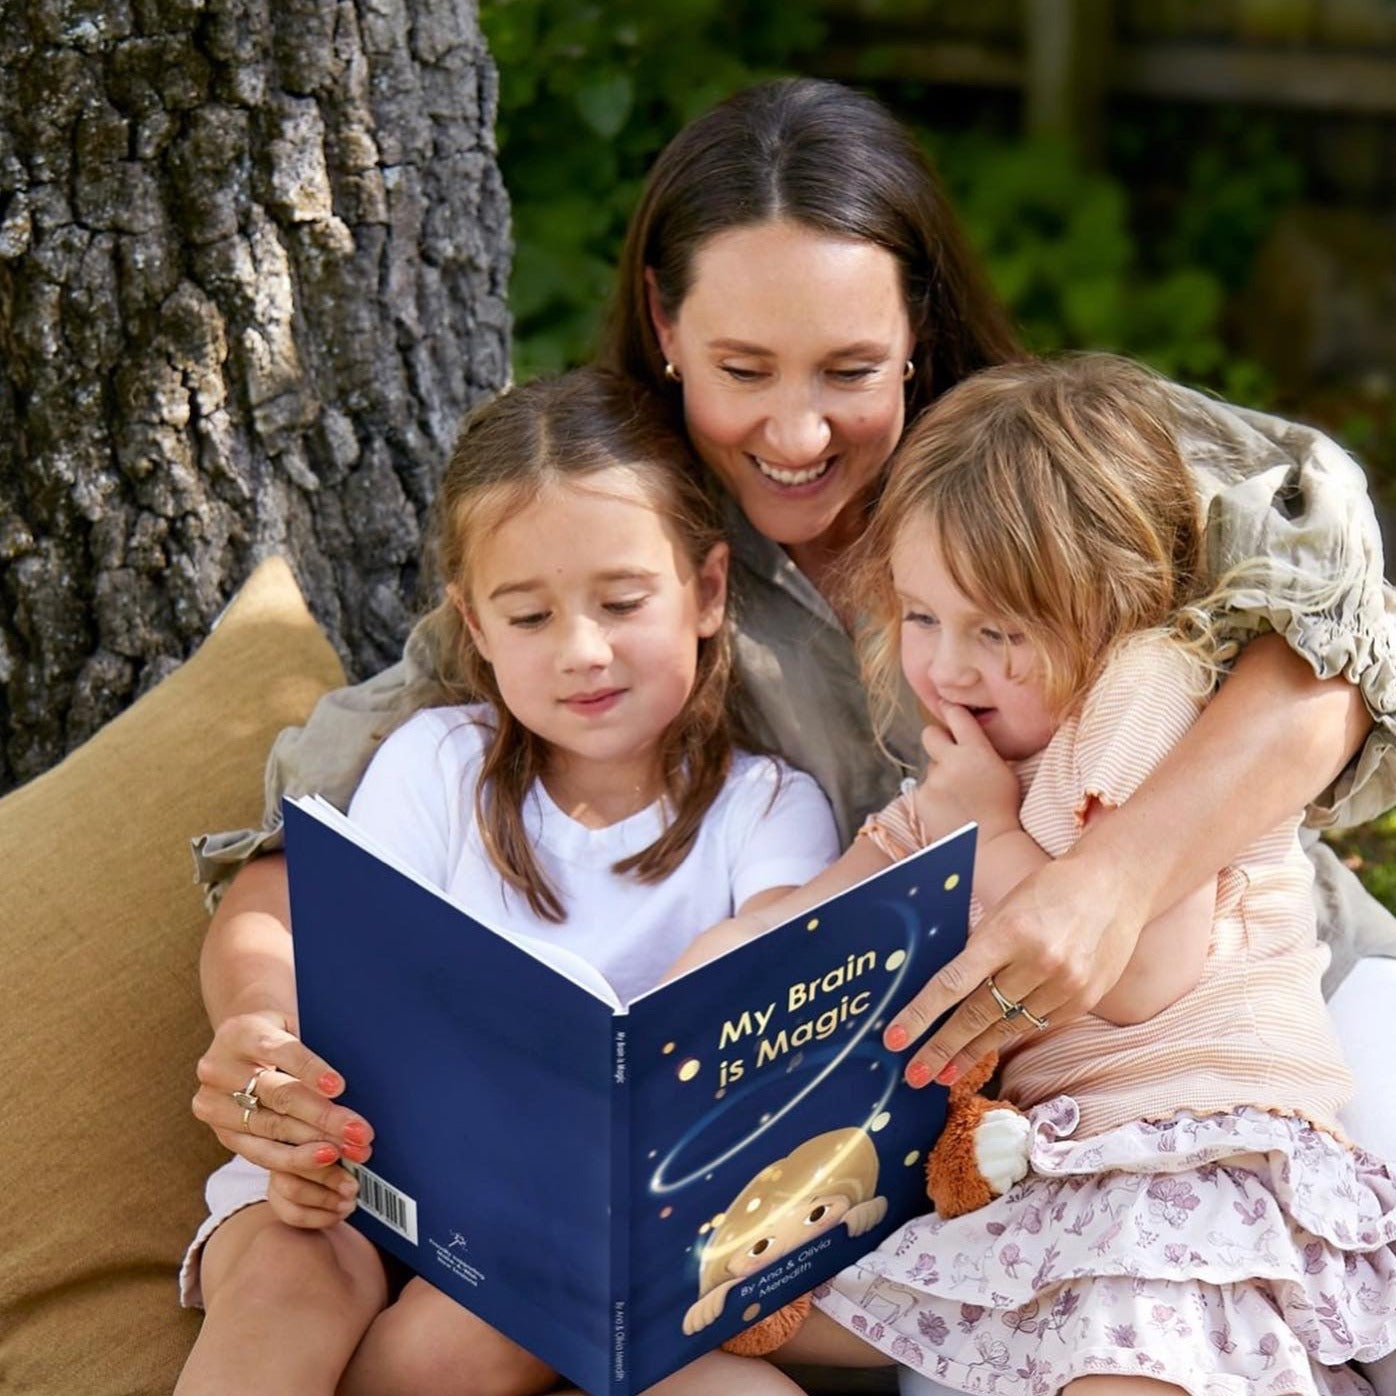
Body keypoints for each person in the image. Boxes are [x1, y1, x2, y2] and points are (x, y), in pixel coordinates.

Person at [187, 73, 1396, 1352]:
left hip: (1266, 1023)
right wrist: (256, 1025)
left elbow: (1331, 640)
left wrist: (1110, 875)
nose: (798, 428)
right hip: (986, 1129)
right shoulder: (629, 549)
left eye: (852, 368)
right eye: (743, 368)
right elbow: (299, 847)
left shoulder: (1050, 463)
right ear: (662, 322)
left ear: (919, 326)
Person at [715, 353, 1394, 1396]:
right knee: (731, 1313)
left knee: (1125, 1358)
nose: (947, 666)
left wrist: (985, 827)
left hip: (1198, 1169)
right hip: (1056, 1184)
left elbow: (1138, 977)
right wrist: (723, 960)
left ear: (1112, 604)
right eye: (923, 617)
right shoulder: (970, 771)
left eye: (997, 631)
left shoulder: (1143, 694)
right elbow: (829, 905)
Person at [174, 368, 844, 1395]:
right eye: (528, 618)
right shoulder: (437, 762)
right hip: (361, 1179)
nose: (582, 651)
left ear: (706, 592)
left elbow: (772, 940)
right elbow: (341, 953)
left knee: (539, 1323)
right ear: (474, 627)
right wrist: (279, 1061)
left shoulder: (767, 807)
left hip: (596, 1245)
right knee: (282, 1268)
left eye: (622, 602)